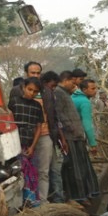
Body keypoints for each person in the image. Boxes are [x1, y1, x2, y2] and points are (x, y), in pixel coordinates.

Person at [54, 71, 99, 207]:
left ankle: (81, 195)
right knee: (77, 169)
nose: (75, 86)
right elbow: (61, 115)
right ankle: (79, 197)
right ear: (66, 80)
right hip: (72, 137)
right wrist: (92, 142)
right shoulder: (63, 94)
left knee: (76, 167)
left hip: (75, 135)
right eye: (73, 83)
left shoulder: (68, 95)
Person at [8, 77, 44, 207]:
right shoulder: (14, 102)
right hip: (13, 145)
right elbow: (8, 123)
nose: (32, 93)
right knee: (16, 174)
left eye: (35, 91)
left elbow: (39, 127)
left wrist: (33, 147)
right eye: (30, 89)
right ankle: (16, 204)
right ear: (23, 87)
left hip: (29, 145)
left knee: (31, 174)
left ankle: (30, 202)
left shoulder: (37, 106)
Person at [35, 71, 68, 203]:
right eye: (52, 85)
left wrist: (61, 138)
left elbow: (54, 118)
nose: (53, 89)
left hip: (49, 136)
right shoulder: (40, 94)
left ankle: (56, 198)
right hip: (42, 136)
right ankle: (45, 200)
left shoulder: (48, 94)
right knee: (45, 170)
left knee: (52, 169)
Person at [72, 79, 99, 155]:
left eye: (96, 88)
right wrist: (93, 144)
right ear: (84, 89)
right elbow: (87, 125)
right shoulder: (84, 102)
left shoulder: (72, 97)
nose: (95, 91)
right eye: (92, 89)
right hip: (76, 136)